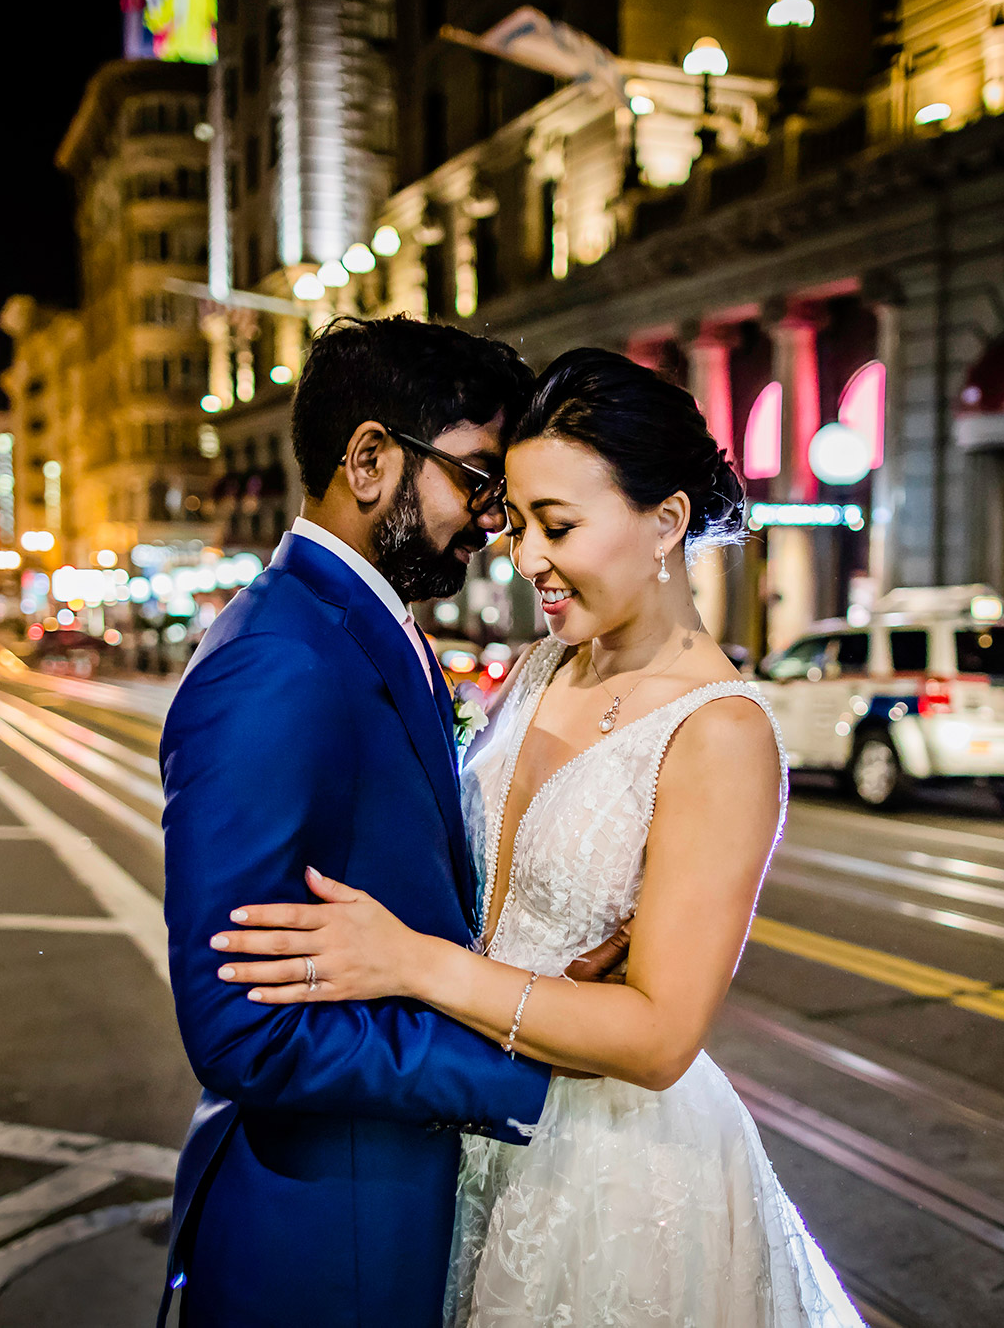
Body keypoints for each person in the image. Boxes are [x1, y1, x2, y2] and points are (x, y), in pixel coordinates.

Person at [214, 349, 867, 1326]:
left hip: (610, 1175)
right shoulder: (536, 667)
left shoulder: (721, 731)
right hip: (466, 1128)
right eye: (515, 523)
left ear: (666, 521)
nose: (524, 558)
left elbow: (655, 1041)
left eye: (556, 526)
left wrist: (413, 964)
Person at [157, 318, 628, 1326]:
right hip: (332, 1233)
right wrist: (521, 1061)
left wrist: (533, 989)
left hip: (394, 1205)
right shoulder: (277, 658)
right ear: (371, 459)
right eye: (475, 481)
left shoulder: (367, 628)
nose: (492, 523)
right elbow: (239, 1029)